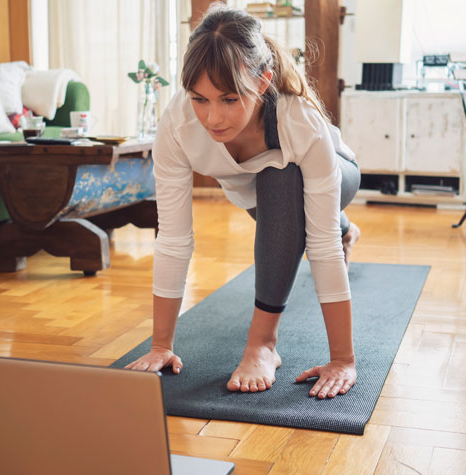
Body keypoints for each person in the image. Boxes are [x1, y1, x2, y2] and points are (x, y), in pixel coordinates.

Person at [124, 3, 361, 400]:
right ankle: (345, 228)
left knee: (282, 177)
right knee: (282, 199)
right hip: (259, 198)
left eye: (229, 99)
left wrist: (343, 359)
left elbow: (319, 246)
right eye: (200, 99)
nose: (213, 117)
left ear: (263, 81)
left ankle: (263, 343)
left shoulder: (299, 121)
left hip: (339, 172)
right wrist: (161, 345)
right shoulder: (178, 125)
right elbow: (174, 238)